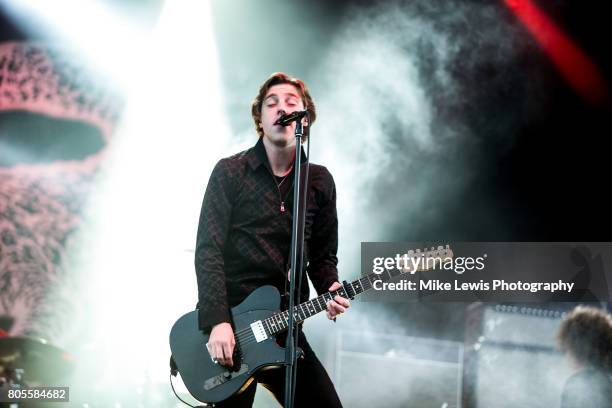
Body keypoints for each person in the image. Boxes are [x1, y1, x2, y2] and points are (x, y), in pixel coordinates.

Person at [194, 72, 348, 407]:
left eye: (292, 103)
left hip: (285, 326)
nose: (282, 108)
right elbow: (208, 251)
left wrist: (330, 288)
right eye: (272, 103)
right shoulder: (230, 172)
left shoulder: (318, 181)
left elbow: (322, 256)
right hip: (232, 326)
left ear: (304, 119)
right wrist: (218, 320)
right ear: (259, 118)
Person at [557, 305, 612, 408]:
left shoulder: (579, 384)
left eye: (566, 349)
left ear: (577, 347)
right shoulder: (606, 383)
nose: (566, 356)